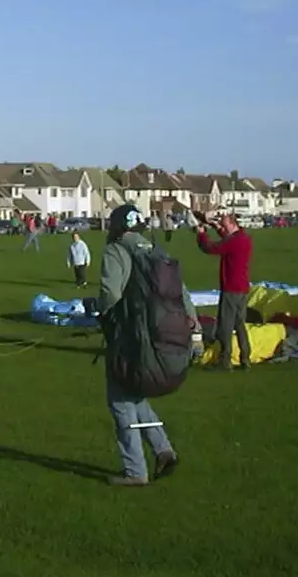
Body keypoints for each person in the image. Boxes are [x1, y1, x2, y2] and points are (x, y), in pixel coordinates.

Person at [97, 205, 184, 487]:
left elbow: (110, 293)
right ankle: (163, 449)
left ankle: (135, 470)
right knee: (135, 394)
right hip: (158, 333)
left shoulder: (117, 251)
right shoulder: (156, 251)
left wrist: (105, 319)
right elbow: (180, 293)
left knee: (119, 399)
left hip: (130, 336)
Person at [194, 211, 252, 371]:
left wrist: (201, 234)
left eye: (224, 223)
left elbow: (210, 248)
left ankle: (225, 360)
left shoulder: (234, 242)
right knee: (240, 324)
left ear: (233, 224)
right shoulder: (242, 238)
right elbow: (227, 237)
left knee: (225, 325)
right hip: (242, 288)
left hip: (231, 288)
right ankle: (245, 358)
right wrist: (215, 226)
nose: (222, 226)